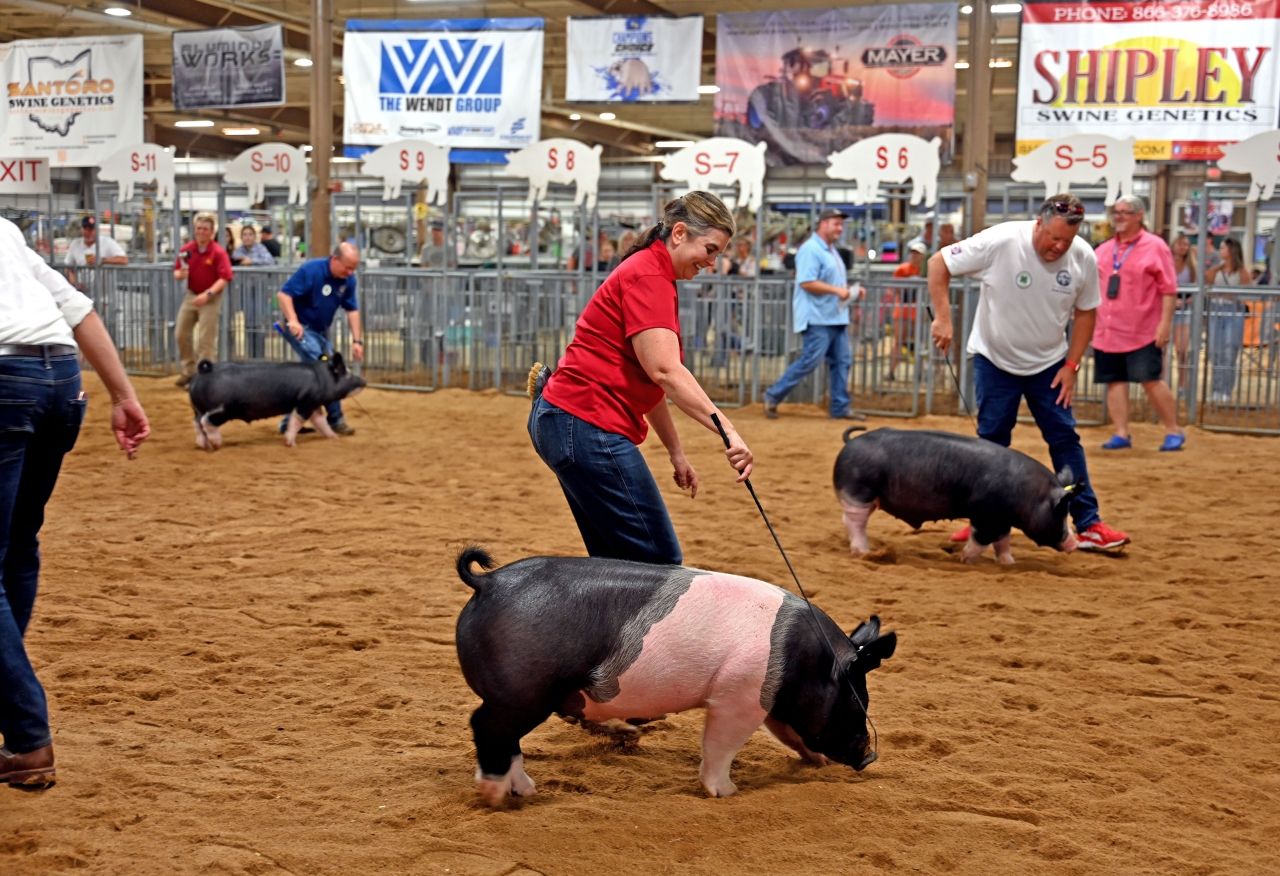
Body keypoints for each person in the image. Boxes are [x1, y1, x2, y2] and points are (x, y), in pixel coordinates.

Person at [0, 216, 150, 788]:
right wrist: (125, 395)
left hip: (6, 381)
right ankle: (14, 716)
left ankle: (27, 736)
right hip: (61, 377)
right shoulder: (6, 230)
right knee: (15, 549)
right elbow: (77, 308)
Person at [528, 192, 754, 565]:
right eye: (710, 249)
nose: (713, 262)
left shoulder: (652, 270)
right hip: (585, 423)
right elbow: (665, 372)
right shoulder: (650, 274)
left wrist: (676, 452)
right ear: (679, 233)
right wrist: (728, 430)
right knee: (658, 563)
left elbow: (649, 382)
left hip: (568, 421)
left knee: (617, 564)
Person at [928, 193, 1130, 552]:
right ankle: (982, 523)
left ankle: (1088, 523)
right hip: (995, 359)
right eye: (1052, 237)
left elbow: (1086, 313)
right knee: (990, 444)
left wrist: (1072, 365)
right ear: (1038, 223)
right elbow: (938, 263)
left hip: (1050, 365)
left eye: (1066, 241)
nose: (1058, 247)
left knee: (1065, 439)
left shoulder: (1082, 255)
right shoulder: (1001, 240)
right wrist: (943, 317)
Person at [1092, 195, 1183, 451]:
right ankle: (1122, 432)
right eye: (1116, 212)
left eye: (1125, 212)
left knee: (1150, 379)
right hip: (1107, 330)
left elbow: (1169, 289)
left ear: (1140, 215)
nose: (1119, 217)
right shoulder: (1103, 249)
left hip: (1142, 329)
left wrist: (1164, 324)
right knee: (1114, 381)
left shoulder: (1156, 247)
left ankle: (1173, 429)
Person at [763, 209, 865, 421]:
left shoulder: (831, 250)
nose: (839, 229)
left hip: (835, 315)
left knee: (842, 361)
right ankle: (773, 396)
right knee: (810, 360)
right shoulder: (811, 249)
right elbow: (806, 282)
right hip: (817, 316)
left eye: (841, 225)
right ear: (823, 224)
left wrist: (850, 290)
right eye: (835, 224)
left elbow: (830, 281)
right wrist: (838, 291)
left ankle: (840, 408)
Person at [276, 242, 364, 436]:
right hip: (301, 329)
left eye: (353, 268)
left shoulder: (348, 280)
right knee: (327, 370)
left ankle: (288, 423)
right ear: (335, 259)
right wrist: (293, 321)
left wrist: (357, 341)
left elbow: (352, 309)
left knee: (317, 374)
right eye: (347, 267)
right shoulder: (311, 270)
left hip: (321, 331)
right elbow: (284, 295)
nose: (350, 272)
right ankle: (335, 420)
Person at [173, 213, 234, 388]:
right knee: (180, 333)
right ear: (194, 230)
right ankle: (189, 372)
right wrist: (179, 274)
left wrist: (207, 294)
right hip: (191, 295)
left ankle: (205, 376)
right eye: (199, 228)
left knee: (206, 338)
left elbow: (224, 278)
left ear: (212, 232)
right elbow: (177, 270)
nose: (201, 232)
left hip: (211, 298)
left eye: (205, 229)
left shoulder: (218, 252)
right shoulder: (187, 249)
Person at [1204, 237, 1251, 403]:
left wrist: (1226, 294)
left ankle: (1225, 390)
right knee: (1214, 351)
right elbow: (1207, 286)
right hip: (1216, 309)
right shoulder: (1217, 270)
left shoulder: (1242, 272)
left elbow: (1244, 296)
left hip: (1233, 312)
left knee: (1229, 352)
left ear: (1231, 251)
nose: (1220, 251)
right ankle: (1216, 388)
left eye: (1223, 248)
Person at [888, 241, 928, 381]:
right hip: (902, 312)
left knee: (920, 343)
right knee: (898, 341)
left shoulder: (927, 270)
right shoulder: (902, 269)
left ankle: (920, 373)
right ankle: (891, 372)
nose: (915, 255)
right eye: (913, 252)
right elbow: (896, 289)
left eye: (918, 253)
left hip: (918, 313)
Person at [1171, 234, 1197, 399]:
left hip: (1184, 309)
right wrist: (1172, 301)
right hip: (1167, 308)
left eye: (1186, 244)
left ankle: (1182, 386)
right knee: (1164, 351)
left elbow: (1197, 286)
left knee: (1182, 350)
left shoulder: (1191, 265)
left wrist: (1189, 299)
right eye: (1180, 244)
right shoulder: (1165, 262)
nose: (1183, 247)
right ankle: (1163, 383)